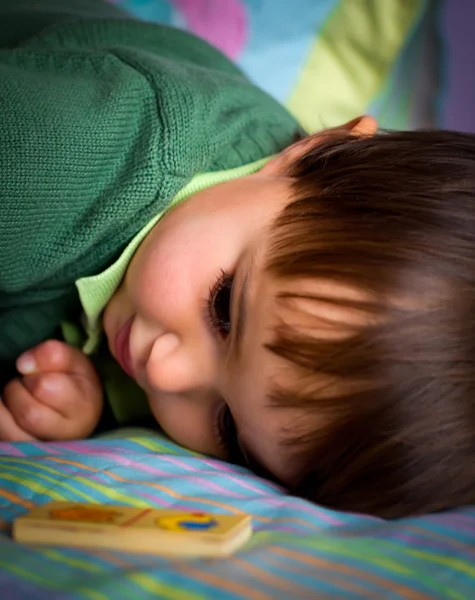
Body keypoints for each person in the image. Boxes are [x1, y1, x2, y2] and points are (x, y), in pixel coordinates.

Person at [1, 1, 475, 519]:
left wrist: (77, 400)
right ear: (311, 154)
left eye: (227, 424)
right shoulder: (89, 148)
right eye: (224, 308)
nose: (164, 372)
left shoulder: (240, 230)